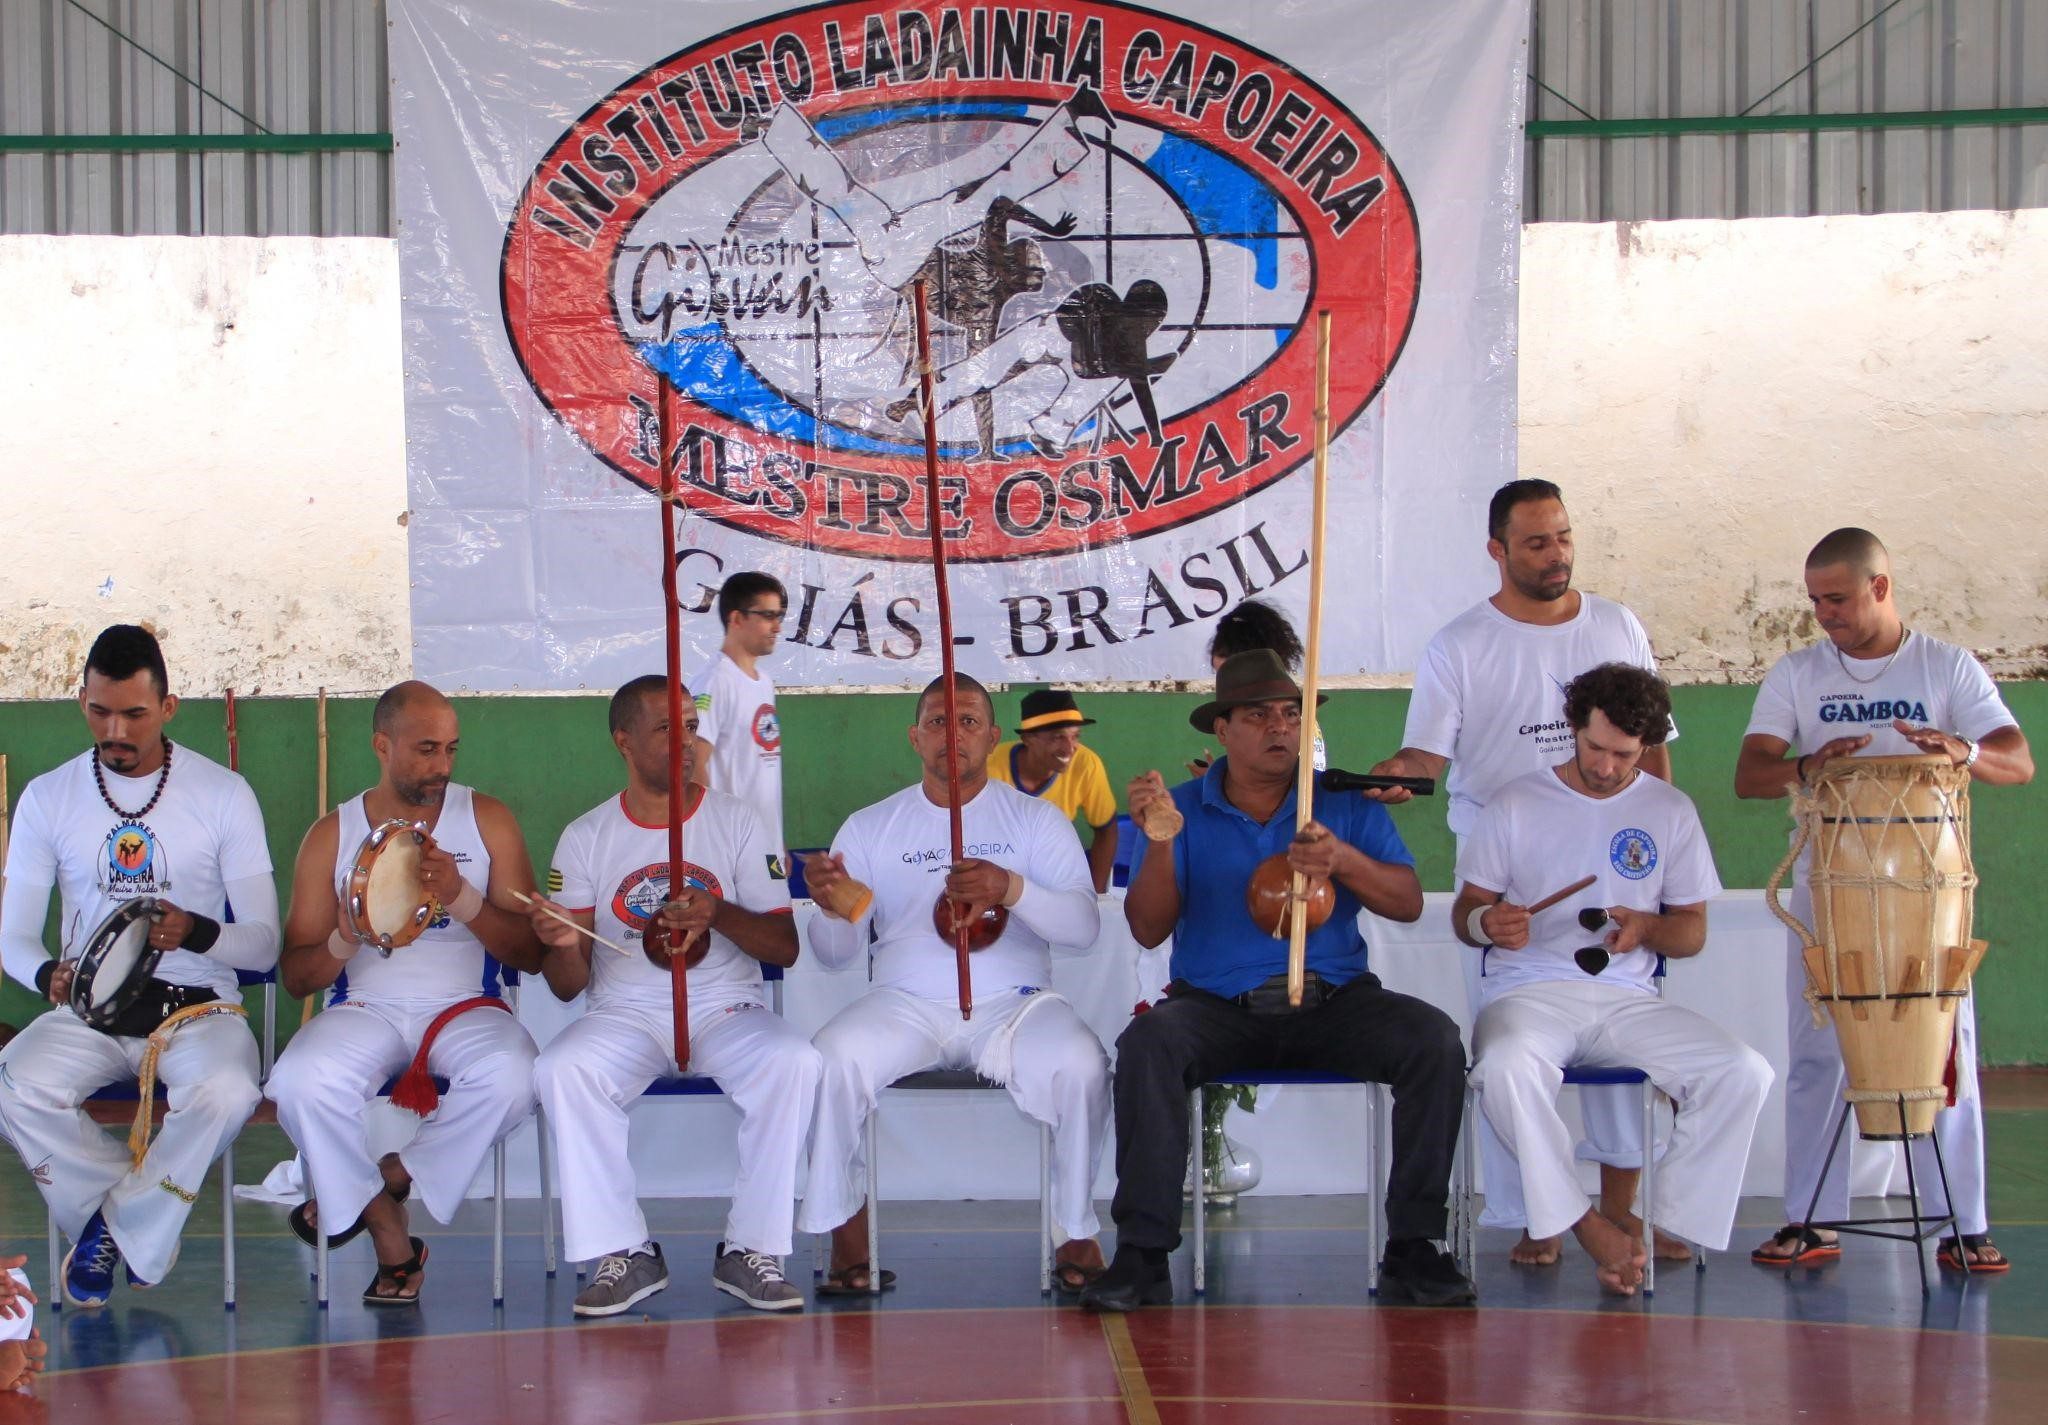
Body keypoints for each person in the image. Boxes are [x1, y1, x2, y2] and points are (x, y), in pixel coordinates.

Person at [1083, 650, 1474, 1311]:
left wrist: (1342, 859)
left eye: (1292, 713)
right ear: (1222, 730)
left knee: (1432, 1040)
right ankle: (1143, 1254)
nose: (1279, 727)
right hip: (1216, 1008)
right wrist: (1155, 840)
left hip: (1335, 1000)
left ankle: (1414, 1244)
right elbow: (1148, 930)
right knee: (1150, 1041)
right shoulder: (1181, 809)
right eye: (1258, 714)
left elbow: (1406, 902)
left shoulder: (1342, 804)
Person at [1368, 478, 1683, 1266]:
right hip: (1505, 881)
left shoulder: (1616, 625)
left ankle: (1620, 1213)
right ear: (1497, 550)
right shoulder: (1461, 643)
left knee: (1618, 1047)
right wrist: (1392, 777)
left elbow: (1653, 745)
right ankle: (1539, 1219)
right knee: (1515, 1057)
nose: (1557, 554)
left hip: (1615, 872)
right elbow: (1426, 756)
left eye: (1565, 536)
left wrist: (1665, 845)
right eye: (1537, 542)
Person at [1737, 527, 2032, 1272]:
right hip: (1828, 896)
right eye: (1813, 600)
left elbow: (2017, 760)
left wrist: (1958, 750)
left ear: (1879, 586)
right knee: (1819, 1054)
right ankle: (1811, 1218)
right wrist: (1809, 764)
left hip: (1927, 899)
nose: (1822, 613)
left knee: (1944, 1052)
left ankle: (1964, 1225)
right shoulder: (1799, 674)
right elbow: (1751, 773)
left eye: (1835, 598)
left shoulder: (1945, 665)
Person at [1455, 663, 1772, 1296]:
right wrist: (1494, 924)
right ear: (1573, 728)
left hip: (1628, 1000)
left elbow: (1692, 932)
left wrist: (1647, 930)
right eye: (1595, 747)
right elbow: (1467, 916)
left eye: (1623, 755)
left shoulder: (1669, 810)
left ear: (1647, 747)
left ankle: (1652, 1225)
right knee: (1508, 1068)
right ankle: (1586, 1225)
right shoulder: (1516, 802)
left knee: (1743, 1071)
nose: (1605, 766)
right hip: (1527, 993)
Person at [801, 674, 1110, 1294]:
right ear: (915, 737)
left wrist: (1011, 888)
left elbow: (1082, 929)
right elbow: (835, 957)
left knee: (1082, 1063)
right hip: (904, 1003)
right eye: (938, 722)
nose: (953, 735)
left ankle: (1075, 1229)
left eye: (968, 722)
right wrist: (831, 909)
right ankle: (847, 1237)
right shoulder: (870, 826)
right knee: (827, 1059)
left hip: (1015, 1004)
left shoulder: (1036, 823)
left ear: (993, 738)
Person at [0, 625, 278, 1307]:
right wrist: (47, 977)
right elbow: (13, 938)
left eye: (134, 713)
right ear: (83, 701)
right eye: (99, 711)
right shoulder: (48, 795)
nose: (115, 728)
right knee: (14, 1081)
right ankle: (127, 1223)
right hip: (88, 1010)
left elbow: (266, 943)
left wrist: (199, 931)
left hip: (197, 1008)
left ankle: (108, 1230)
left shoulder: (224, 794)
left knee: (229, 1090)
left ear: (170, 707)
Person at [526, 676, 818, 1315]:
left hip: (725, 1007)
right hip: (625, 1012)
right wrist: (558, 941)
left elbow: (784, 948)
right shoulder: (586, 837)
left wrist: (718, 913)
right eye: (666, 729)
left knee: (794, 1060)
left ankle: (751, 1248)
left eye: (691, 725)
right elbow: (568, 986)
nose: (686, 742)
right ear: (623, 741)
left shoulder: (740, 823)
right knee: (561, 1067)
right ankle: (622, 1252)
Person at [266, 681, 545, 1305]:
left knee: (519, 1077)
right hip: (366, 1007)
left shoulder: (487, 819)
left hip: (465, 1007)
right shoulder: (329, 835)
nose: (441, 767)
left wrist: (463, 897)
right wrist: (344, 939)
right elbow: (296, 976)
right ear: (381, 745)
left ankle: (392, 1176)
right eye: (425, 750)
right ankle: (390, 1230)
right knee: (297, 1082)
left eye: (450, 749)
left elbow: (529, 954)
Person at [986, 688, 1119, 892]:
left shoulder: (1086, 764)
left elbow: (1106, 830)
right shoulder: (989, 766)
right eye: (1057, 737)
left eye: (1075, 736)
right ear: (1028, 739)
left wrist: (1097, 896)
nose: (1070, 748)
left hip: (1055, 874)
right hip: (997, 874)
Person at [695, 572, 788, 858]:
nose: (777, 626)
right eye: (768, 616)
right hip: (730, 849)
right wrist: (718, 837)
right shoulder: (713, 681)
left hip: (764, 846)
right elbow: (692, 765)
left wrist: (775, 840)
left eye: (780, 616)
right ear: (736, 619)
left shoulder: (764, 682)